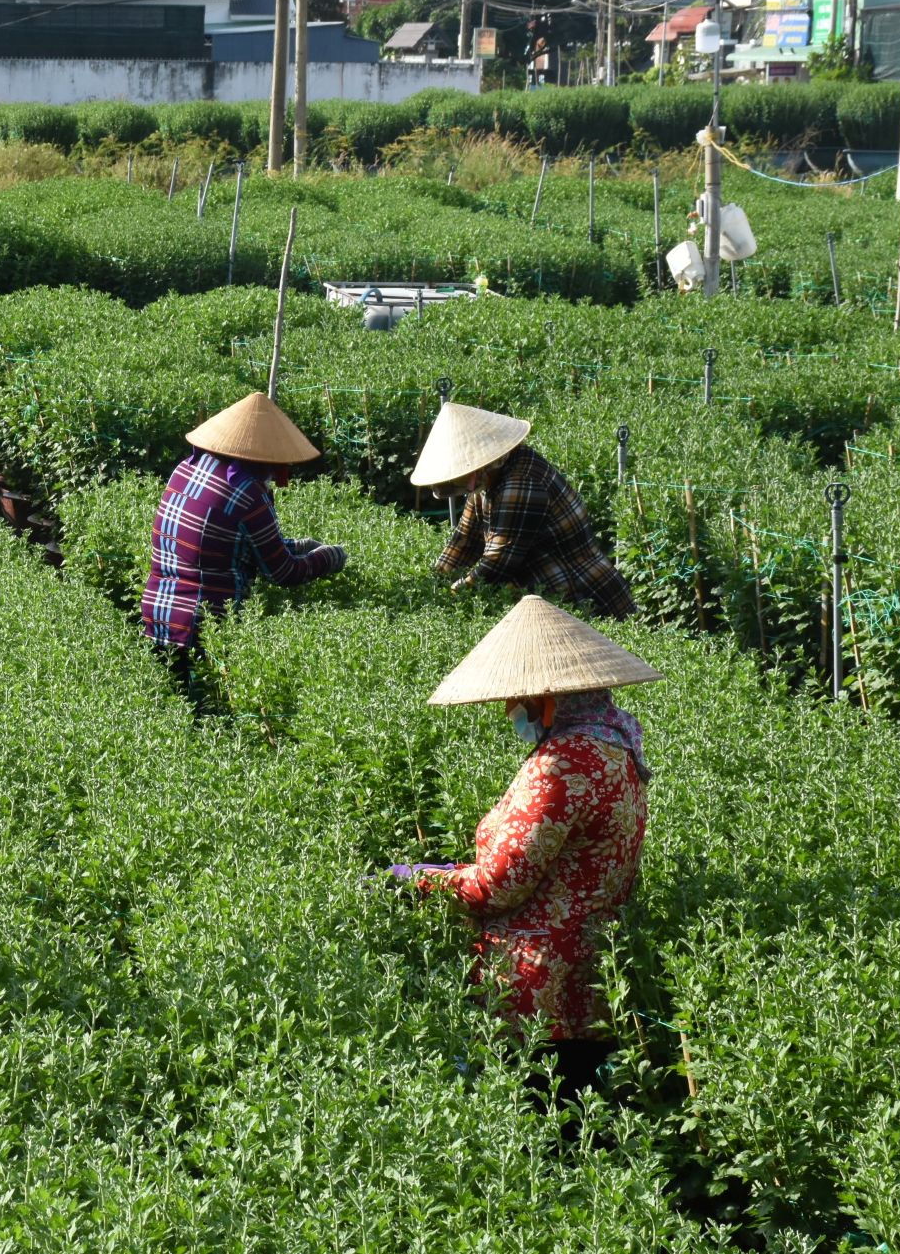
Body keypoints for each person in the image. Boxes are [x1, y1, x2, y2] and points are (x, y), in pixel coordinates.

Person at [396, 594, 662, 1104]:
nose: (510, 710)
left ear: (547, 699)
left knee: (537, 1121)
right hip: (589, 969)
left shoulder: (562, 763)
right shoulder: (617, 745)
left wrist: (422, 880)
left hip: (537, 980)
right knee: (579, 1112)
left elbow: (501, 884)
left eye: (518, 700)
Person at [141, 392, 347, 663]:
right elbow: (283, 572)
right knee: (202, 703)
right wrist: (331, 557)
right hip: (203, 629)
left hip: (157, 616)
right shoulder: (247, 492)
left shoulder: (184, 469)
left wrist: (299, 546)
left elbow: (227, 545)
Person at [412, 402, 634, 618]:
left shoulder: (522, 483)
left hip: (585, 598)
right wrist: (434, 584)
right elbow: (464, 542)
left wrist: (453, 595)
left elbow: (497, 564)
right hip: (551, 594)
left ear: (481, 466)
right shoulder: (488, 480)